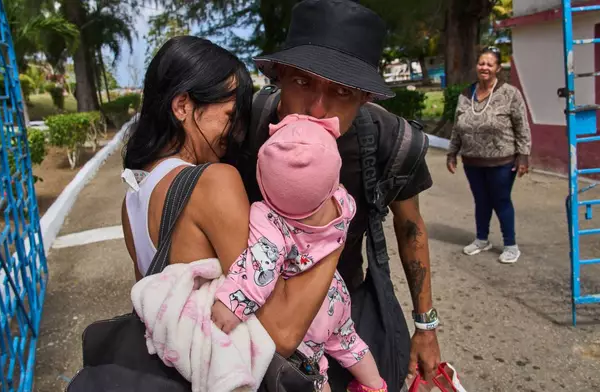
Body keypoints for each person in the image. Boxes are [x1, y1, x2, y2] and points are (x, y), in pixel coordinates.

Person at [225, 0, 442, 388]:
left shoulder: (391, 141)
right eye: (303, 83)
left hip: (346, 313)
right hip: (257, 316)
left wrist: (425, 327)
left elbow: (410, 227)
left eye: (341, 91)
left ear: (364, 98)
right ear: (281, 77)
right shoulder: (249, 128)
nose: (317, 108)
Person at [120, 35, 344, 370]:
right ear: (182, 106)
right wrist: (334, 226)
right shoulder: (213, 182)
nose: (237, 131)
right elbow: (281, 333)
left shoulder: (131, 200)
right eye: (229, 114)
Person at [212, 114, 386, 392]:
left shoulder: (266, 216)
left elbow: (262, 264)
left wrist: (233, 304)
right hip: (335, 295)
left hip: (307, 309)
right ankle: (375, 386)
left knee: (314, 367)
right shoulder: (341, 201)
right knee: (349, 342)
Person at [446, 46, 532, 264]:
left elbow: (522, 125)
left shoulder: (510, 93)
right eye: (481, 63)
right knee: (481, 200)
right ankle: (482, 239)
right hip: (472, 160)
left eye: (489, 64)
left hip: (502, 160)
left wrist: (523, 155)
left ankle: (510, 245)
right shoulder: (467, 94)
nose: (484, 67)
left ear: (498, 68)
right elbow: (457, 126)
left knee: (500, 200)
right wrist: (452, 153)